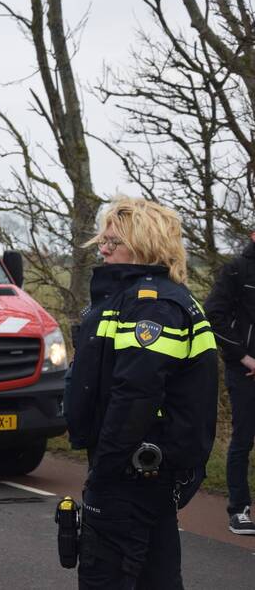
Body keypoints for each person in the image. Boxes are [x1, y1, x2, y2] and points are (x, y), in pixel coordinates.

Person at [64, 197, 219, 588]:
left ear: (143, 243)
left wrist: (104, 473)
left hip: (130, 476)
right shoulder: (147, 300)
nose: (102, 248)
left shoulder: (151, 307)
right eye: (102, 240)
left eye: (112, 241)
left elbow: (135, 396)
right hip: (144, 474)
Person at [204, 231, 255, 534]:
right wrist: (244, 358)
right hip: (245, 370)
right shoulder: (236, 269)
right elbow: (214, 316)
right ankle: (239, 509)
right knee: (243, 439)